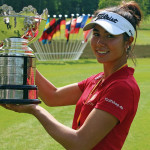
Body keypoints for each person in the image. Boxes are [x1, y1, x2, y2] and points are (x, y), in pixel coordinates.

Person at [1, 1, 142, 150]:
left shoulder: (122, 87)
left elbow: (79, 143)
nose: (100, 42)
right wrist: (20, 55)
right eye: (96, 34)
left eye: (110, 36)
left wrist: (35, 110)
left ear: (128, 42)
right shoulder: (97, 80)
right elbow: (53, 96)